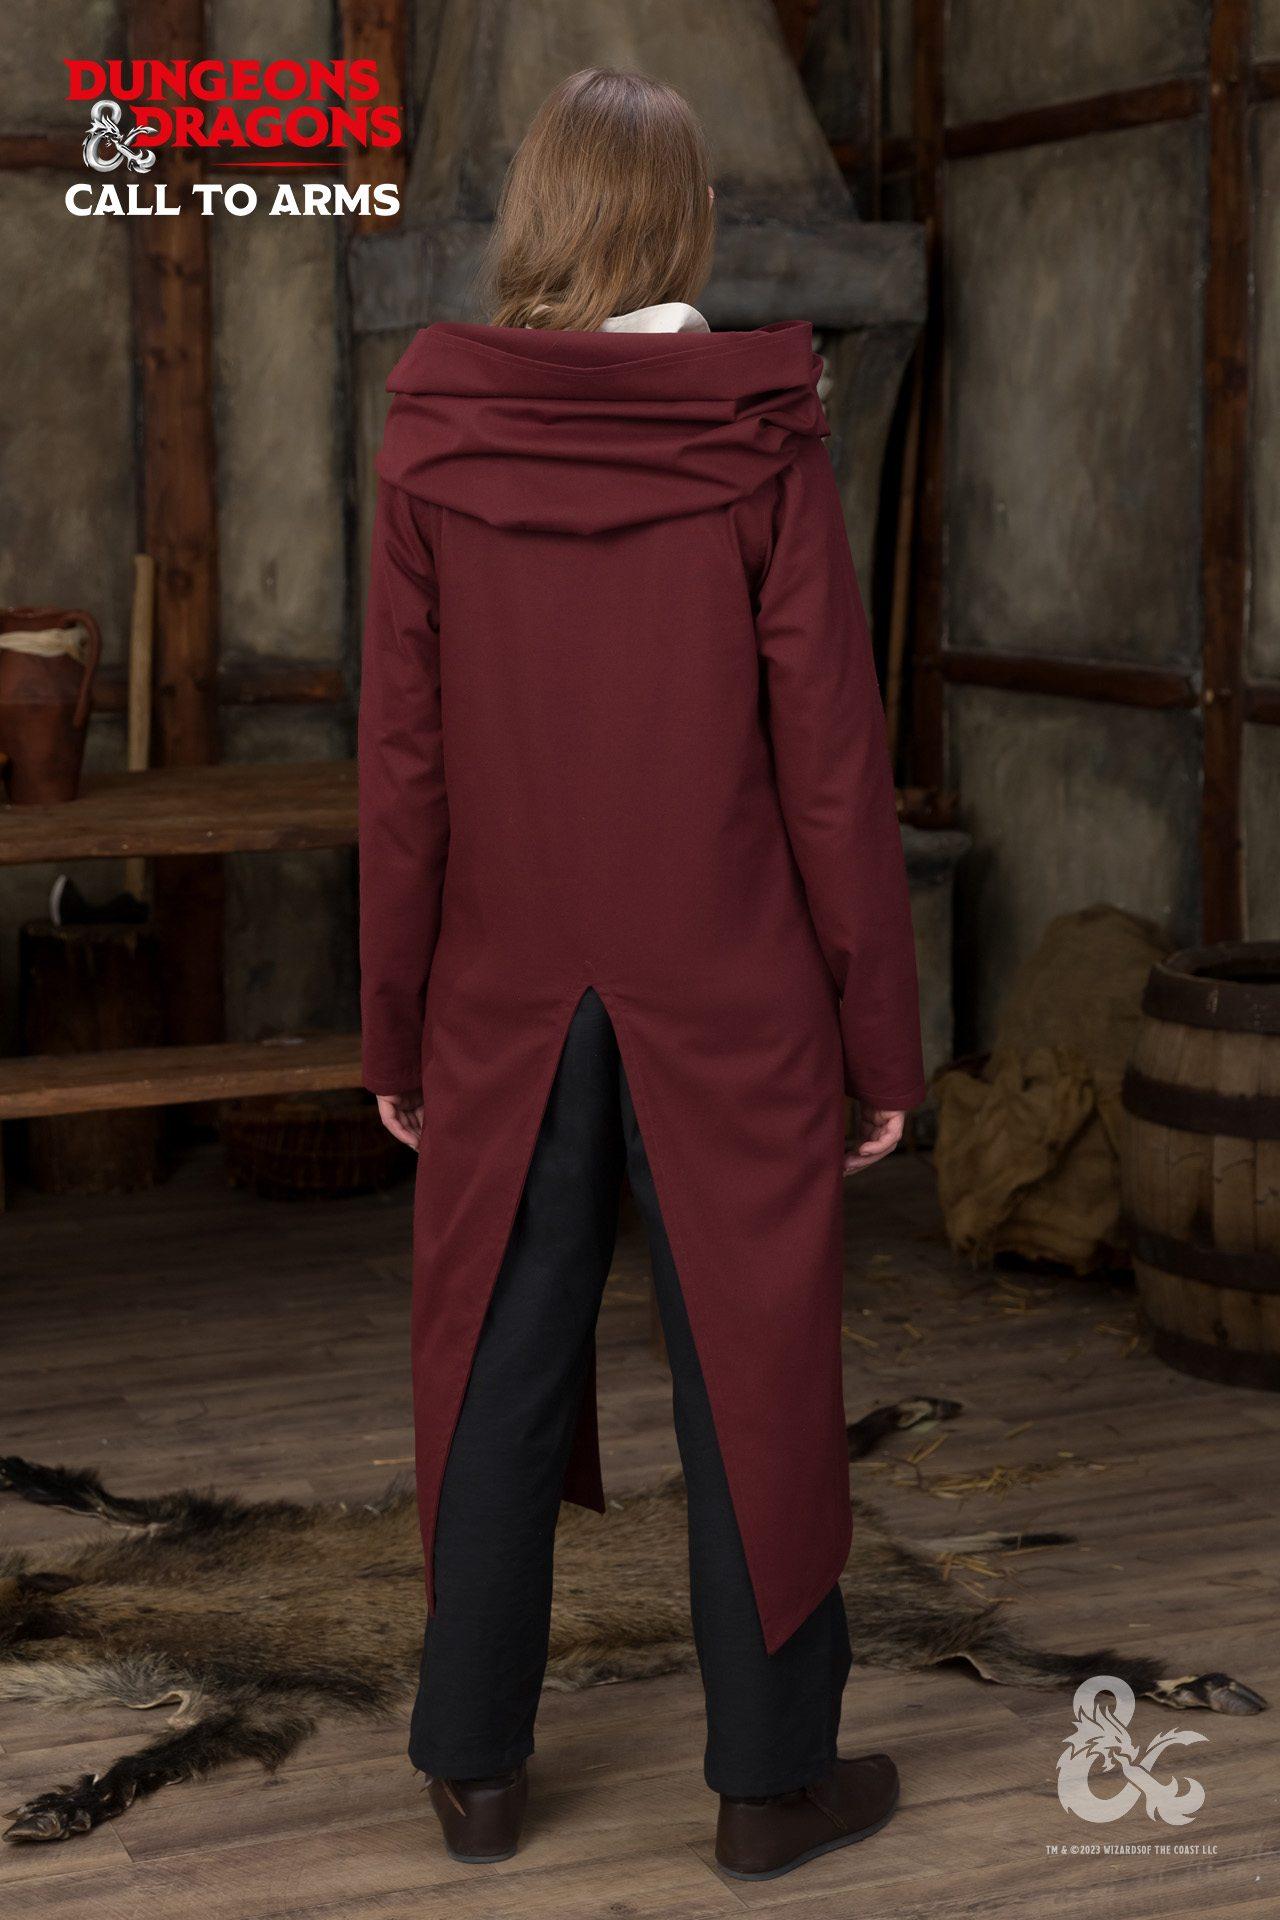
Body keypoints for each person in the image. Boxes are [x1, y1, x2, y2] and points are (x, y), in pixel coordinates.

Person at [358, 66, 926, 1883]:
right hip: (734, 985)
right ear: (682, 227)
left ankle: (473, 1771)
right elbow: (831, 761)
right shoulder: (762, 433)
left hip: (505, 984)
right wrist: (880, 1032)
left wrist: (394, 1021)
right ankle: (770, 1786)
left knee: (495, 1350)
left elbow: (405, 768)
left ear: (539, 219)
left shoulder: (435, 431)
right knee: (756, 1365)